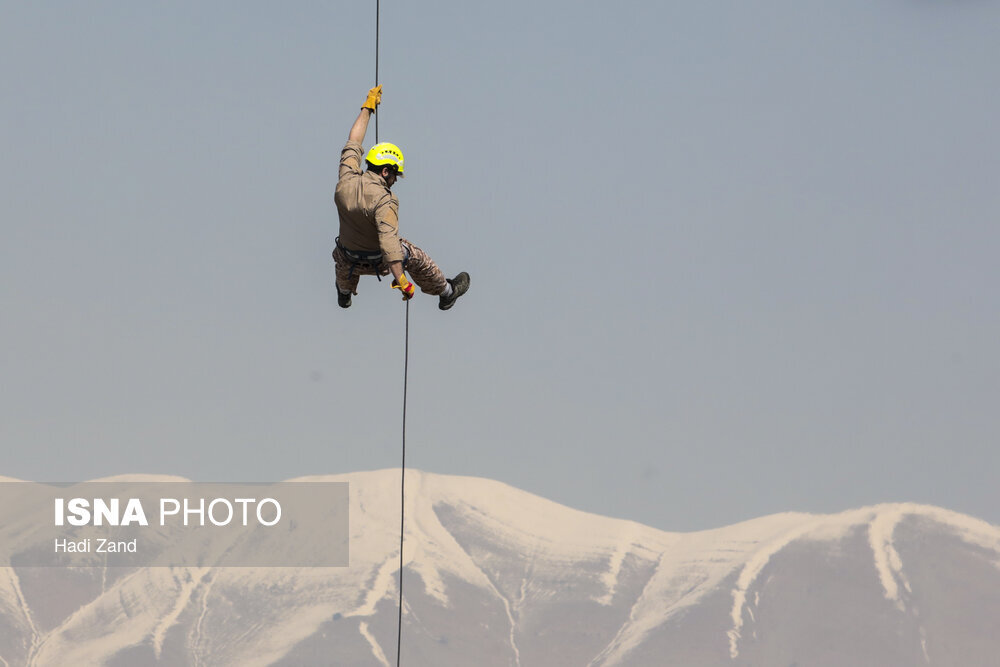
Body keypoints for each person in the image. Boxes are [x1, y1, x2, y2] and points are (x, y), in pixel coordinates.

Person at [332, 85, 470, 310]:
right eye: (395, 174)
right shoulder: (385, 201)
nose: (396, 180)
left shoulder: (345, 181)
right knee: (412, 253)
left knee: (341, 254)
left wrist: (367, 107)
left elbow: (353, 142)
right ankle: (447, 291)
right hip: (379, 260)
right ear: (386, 171)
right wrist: (402, 281)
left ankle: (344, 291)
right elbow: (389, 246)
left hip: (348, 258)